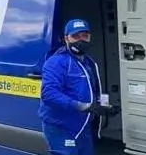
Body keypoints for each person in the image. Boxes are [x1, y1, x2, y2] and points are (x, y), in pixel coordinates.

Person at [39, 19, 120, 155]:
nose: (81, 40)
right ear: (66, 38)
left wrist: (103, 107)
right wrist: (83, 106)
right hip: (62, 127)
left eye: (84, 35)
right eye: (75, 36)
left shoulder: (89, 63)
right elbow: (49, 94)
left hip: (83, 126)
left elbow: (93, 89)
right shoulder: (57, 62)